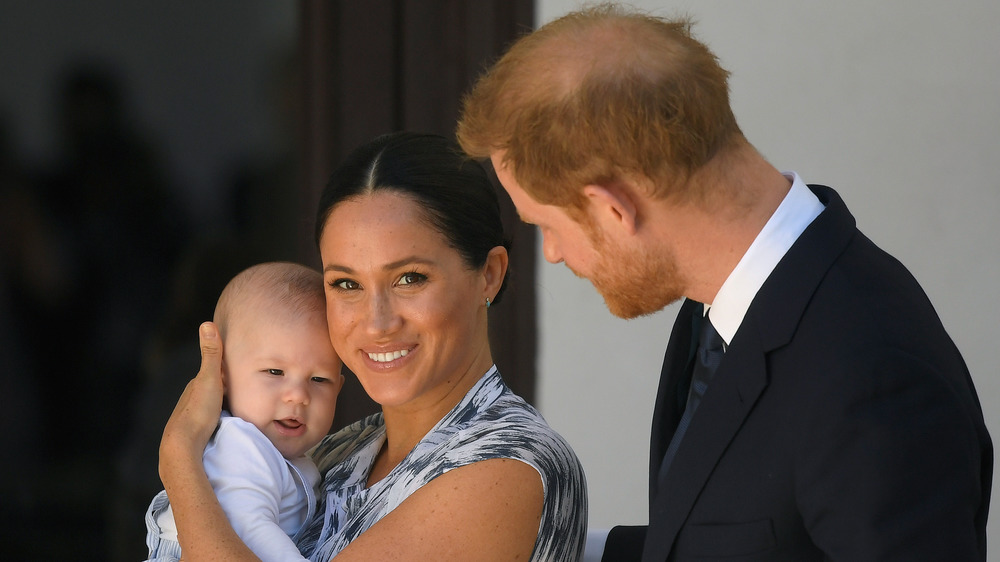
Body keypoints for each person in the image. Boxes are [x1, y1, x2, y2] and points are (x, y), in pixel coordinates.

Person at [457, 4, 992, 561]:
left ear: (613, 209)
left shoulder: (874, 376)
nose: (554, 254)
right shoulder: (729, 299)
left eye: (546, 225)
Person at [157, 132, 588, 561]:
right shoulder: (341, 450)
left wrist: (179, 457)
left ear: (489, 275)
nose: (377, 323)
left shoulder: (504, 465)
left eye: (410, 278)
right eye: (347, 284)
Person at [144, 261, 344, 561]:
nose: (299, 396)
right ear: (222, 376)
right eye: (275, 371)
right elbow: (249, 530)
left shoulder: (282, 454)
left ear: (339, 387)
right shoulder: (241, 447)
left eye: (319, 379)